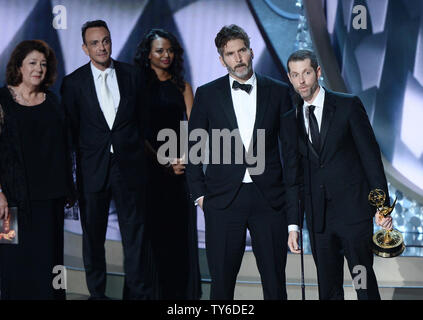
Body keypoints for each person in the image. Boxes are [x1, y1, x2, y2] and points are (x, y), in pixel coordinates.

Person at [186, 25, 299, 300]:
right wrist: (200, 196)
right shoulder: (207, 94)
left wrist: (293, 217)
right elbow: (193, 148)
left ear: (251, 51)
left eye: (242, 51)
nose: (238, 59)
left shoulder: (279, 91)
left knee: (275, 285)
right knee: (221, 287)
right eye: (230, 54)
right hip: (223, 201)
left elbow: (292, 154)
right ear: (222, 59)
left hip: (269, 201)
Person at [286, 49, 393, 300]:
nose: (301, 81)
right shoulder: (290, 121)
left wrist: (382, 207)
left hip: (354, 214)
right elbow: (293, 177)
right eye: (295, 75)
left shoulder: (347, 106)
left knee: (363, 284)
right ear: (289, 78)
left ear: (318, 72)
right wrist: (293, 225)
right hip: (319, 219)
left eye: (307, 73)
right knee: (328, 289)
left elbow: (371, 159)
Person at [60, 20, 150, 300]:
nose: (102, 47)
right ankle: (97, 294)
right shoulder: (73, 83)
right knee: (93, 238)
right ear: (85, 48)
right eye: (95, 43)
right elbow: (69, 135)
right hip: (92, 171)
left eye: (106, 40)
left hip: (130, 169)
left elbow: (144, 123)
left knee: (135, 236)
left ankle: (135, 294)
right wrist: (69, 179)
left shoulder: (133, 75)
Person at [0, 40, 74, 300]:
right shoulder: (1, 100)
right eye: (32, 63)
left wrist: (68, 188)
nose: (39, 69)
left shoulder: (53, 101)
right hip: (10, 201)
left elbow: (63, 149)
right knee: (11, 262)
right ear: (19, 66)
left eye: (43, 64)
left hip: (50, 199)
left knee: (49, 264)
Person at [134, 28, 201, 300]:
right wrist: (162, 163)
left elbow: (195, 130)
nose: (166, 55)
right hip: (148, 172)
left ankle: (181, 297)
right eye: (160, 50)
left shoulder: (182, 87)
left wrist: (183, 159)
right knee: (152, 238)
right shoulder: (137, 86)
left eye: (170, 50)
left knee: (178, 239)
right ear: (147, 54)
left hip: (179, 173)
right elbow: (135, 133)